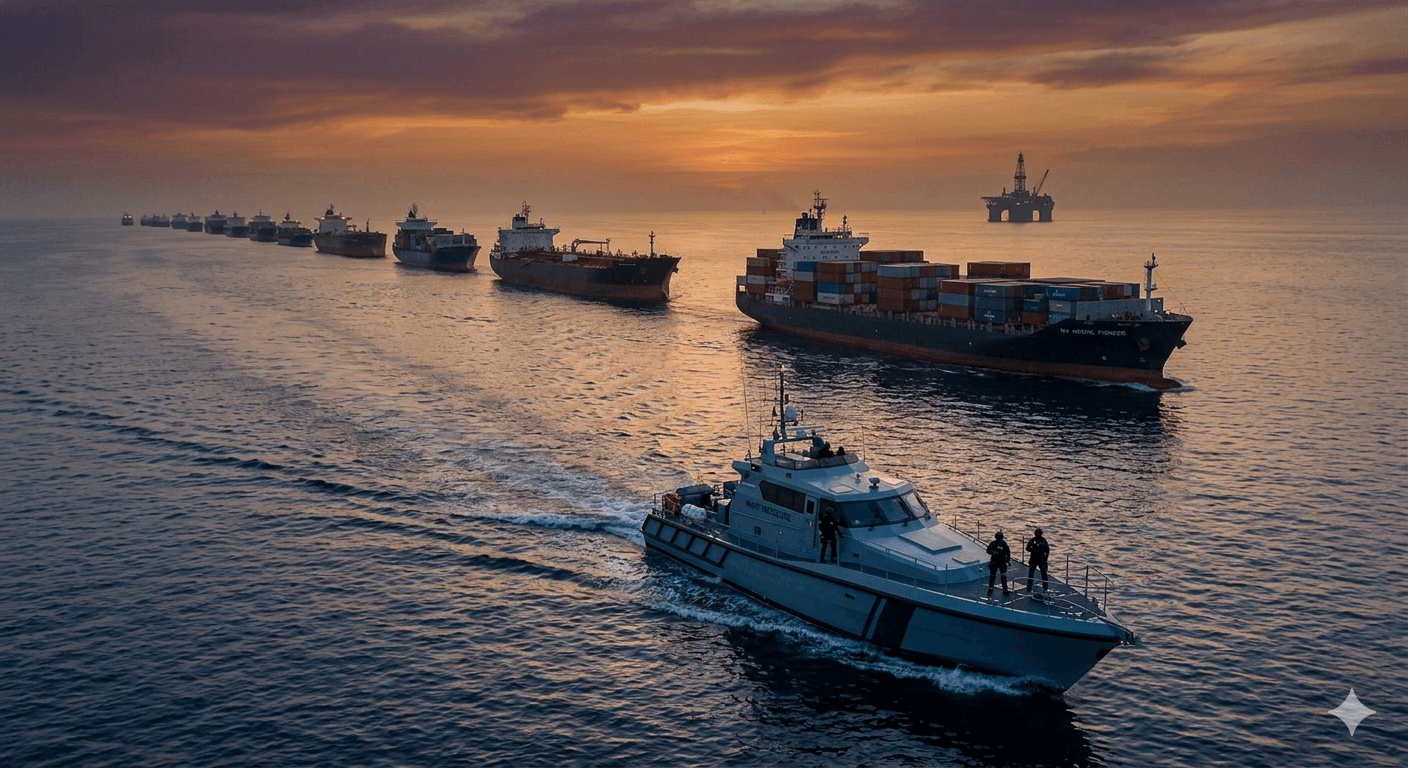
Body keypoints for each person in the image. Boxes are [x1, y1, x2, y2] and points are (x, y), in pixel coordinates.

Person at [987, 531, 1011, 596]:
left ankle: (991, 589)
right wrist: (1008, 560)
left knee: (994, 576)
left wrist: (992, 552)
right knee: (1002, 576)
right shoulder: (1003, 544)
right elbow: (1008, 553)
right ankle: (1004, 590)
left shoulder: (994, 543)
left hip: (999, 562)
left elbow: (988, 551)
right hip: (999, 562)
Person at [1026, 528, 1051, 593]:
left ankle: (1045, 587)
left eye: (1039, 533)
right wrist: (1033, 549)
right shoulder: (1032, 540)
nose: (1038, 534)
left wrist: (1045, 558)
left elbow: (1047, 550)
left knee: (1044, 574)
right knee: (1031, 574)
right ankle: (1029, 587)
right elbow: (1027, 548)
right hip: (1034, 559)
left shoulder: (1043, 541)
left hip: (1041, 559)